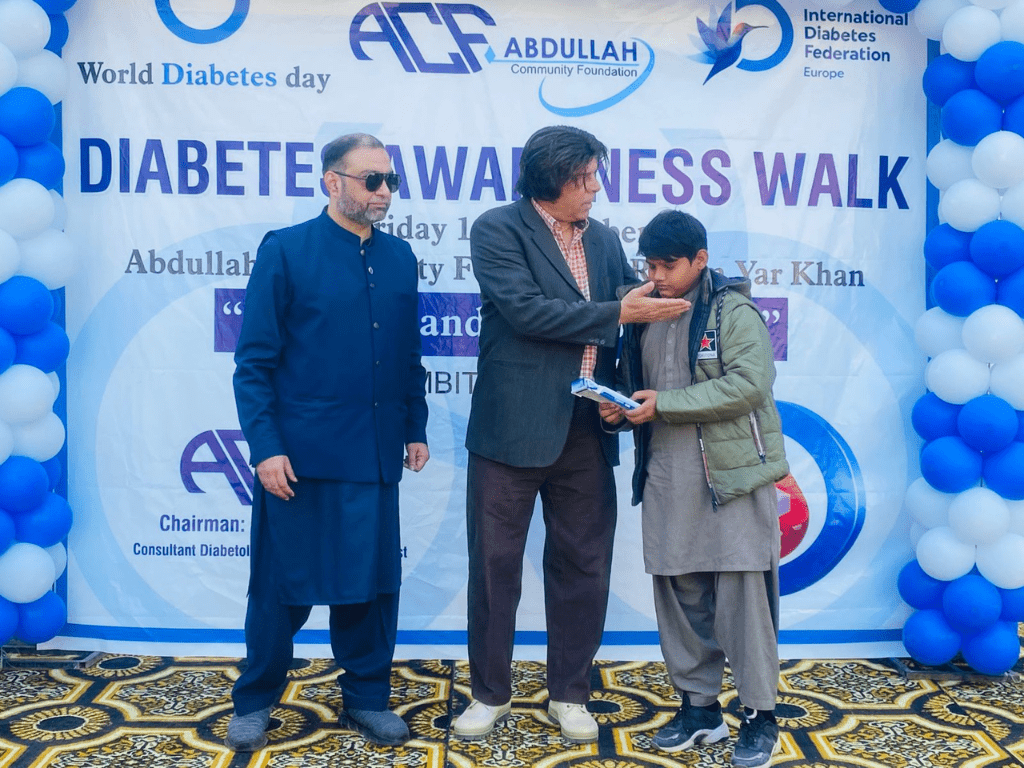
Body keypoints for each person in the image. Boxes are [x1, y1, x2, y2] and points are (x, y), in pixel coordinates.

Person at [453, 126, 691, 743]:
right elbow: (527, 312)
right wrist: (619, 312)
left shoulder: (604, 238)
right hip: (510, 431)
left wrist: (618, 393)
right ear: (550, 179)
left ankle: (570, 693)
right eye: (584, 178)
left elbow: (628, 328)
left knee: (585, 564)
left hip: (587, 428)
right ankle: (488, 693)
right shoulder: (498, 229)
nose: (594, 189)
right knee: (494, 567)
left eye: (594, 176)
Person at [226, 133, 429, 751]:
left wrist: (415, 426)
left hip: (375, 453)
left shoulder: (400, 258)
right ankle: (256, 699)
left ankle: (366, 698)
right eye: (372, 180)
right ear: (332, 182)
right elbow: (253, 363)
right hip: (300, 458)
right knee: (280, 588)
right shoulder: (286, 251)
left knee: (373, 588)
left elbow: (407, 354)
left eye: (390, 181)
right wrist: (265, 447)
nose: (384, 192)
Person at [600, 210, 788, 768]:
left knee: (741, 598)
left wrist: (665, 404)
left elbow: (750, 384)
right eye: (649, 266)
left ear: (700, 261)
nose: (656, 277)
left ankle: (761, 716)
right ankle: (700, 709)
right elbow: (641, 388)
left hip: (730, 477)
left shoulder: (733, 311)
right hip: (667, 475)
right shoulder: (642, 312)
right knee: (679, 596)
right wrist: (620, 409)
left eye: (668, 266)